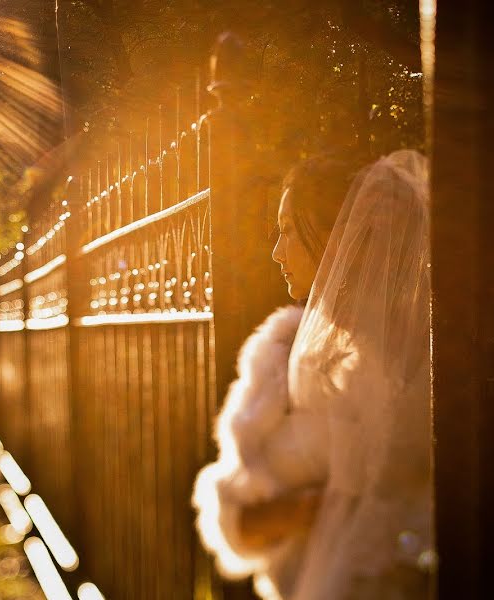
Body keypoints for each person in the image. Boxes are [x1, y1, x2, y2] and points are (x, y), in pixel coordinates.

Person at [193, 150, 434, 599]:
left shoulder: (423, 358)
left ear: (338, 237)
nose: (276, 252)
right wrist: (297, 513)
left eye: (288, 230)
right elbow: (236, 508)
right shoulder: (280, 355)